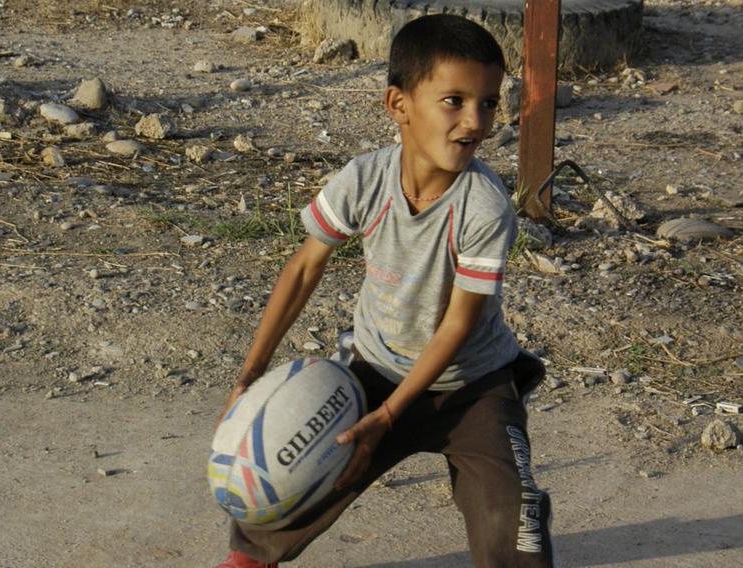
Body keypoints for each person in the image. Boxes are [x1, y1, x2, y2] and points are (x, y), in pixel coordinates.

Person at [214, 14, 553, 568]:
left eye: (488, 103)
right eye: (454, 101)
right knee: (286, 464)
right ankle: (251, 559)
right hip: (375, 370)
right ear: (399, 105)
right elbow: (303, 270)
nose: (476, 121)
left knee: (514, 520)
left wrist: (391, 416)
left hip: (473, 387)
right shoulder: (365, 179)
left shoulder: (484, 205)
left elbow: (458, 324)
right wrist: (250, 375)